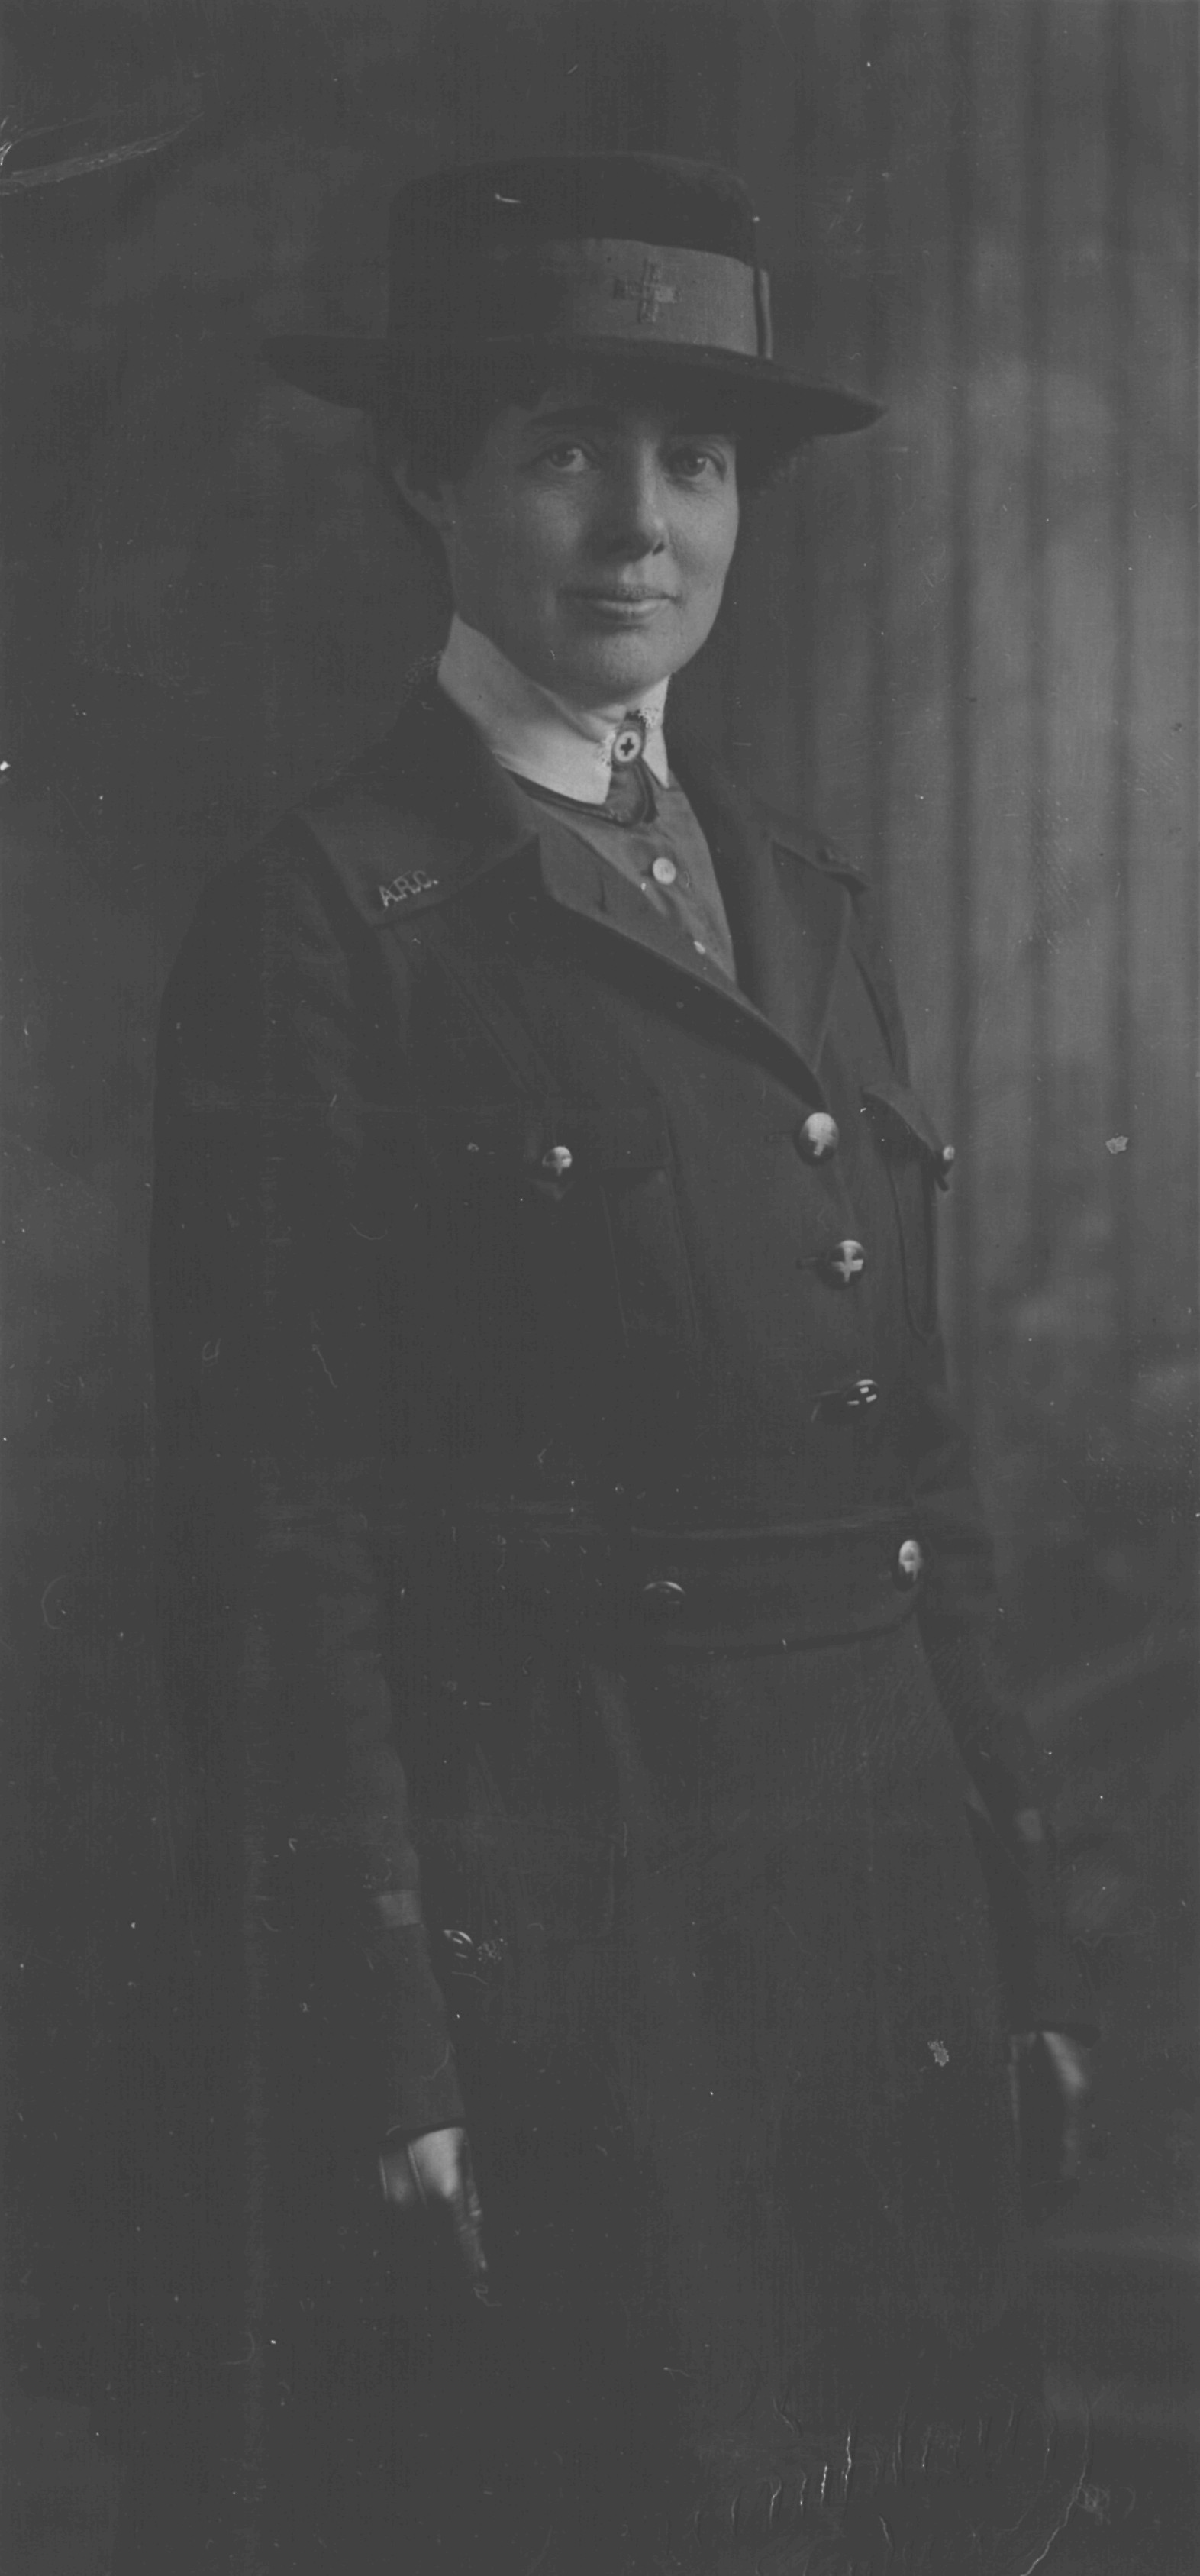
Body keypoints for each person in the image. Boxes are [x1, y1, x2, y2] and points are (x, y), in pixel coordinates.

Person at [121, 153, 1095, 2576]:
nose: (639, 525)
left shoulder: (803, 897)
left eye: (693, 460)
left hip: (876, 1913)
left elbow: (913, 1467)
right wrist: (392, 2034)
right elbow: (281, 1540)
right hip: (583, 1927)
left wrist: (1012, 1923)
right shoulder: (332, 925)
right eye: (563, 448)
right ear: (423, 475)